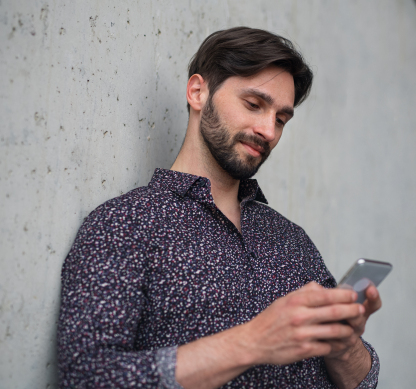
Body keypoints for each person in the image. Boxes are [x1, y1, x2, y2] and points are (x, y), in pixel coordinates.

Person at [57, 26, 382, 389]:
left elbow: (363, 382)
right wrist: (253, 341)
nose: (268, 130)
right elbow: (87, 376)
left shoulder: (291, 240)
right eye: (254, 104)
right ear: (198, 92)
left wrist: (342, 344)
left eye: (280, 118)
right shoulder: (125, 224)